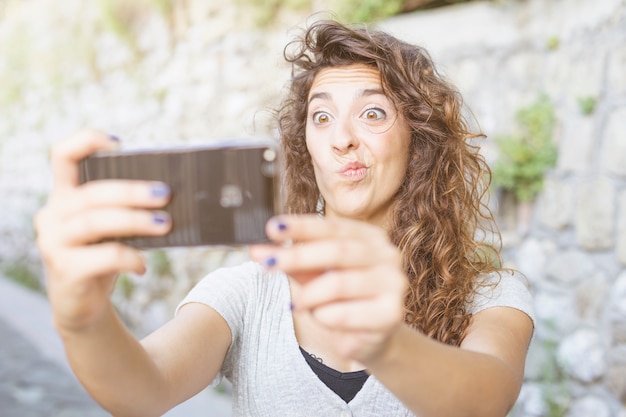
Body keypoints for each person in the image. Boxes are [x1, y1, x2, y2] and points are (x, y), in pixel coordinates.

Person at [34, 19, 534, 417]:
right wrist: (83, 321)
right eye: (322, 117)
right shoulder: (246, 292)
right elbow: (143, 388)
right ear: (305, 147)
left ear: (418, 141)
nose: (342, 138)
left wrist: (382, 341)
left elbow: (484, 399)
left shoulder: (488, 293)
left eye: (373, 113)